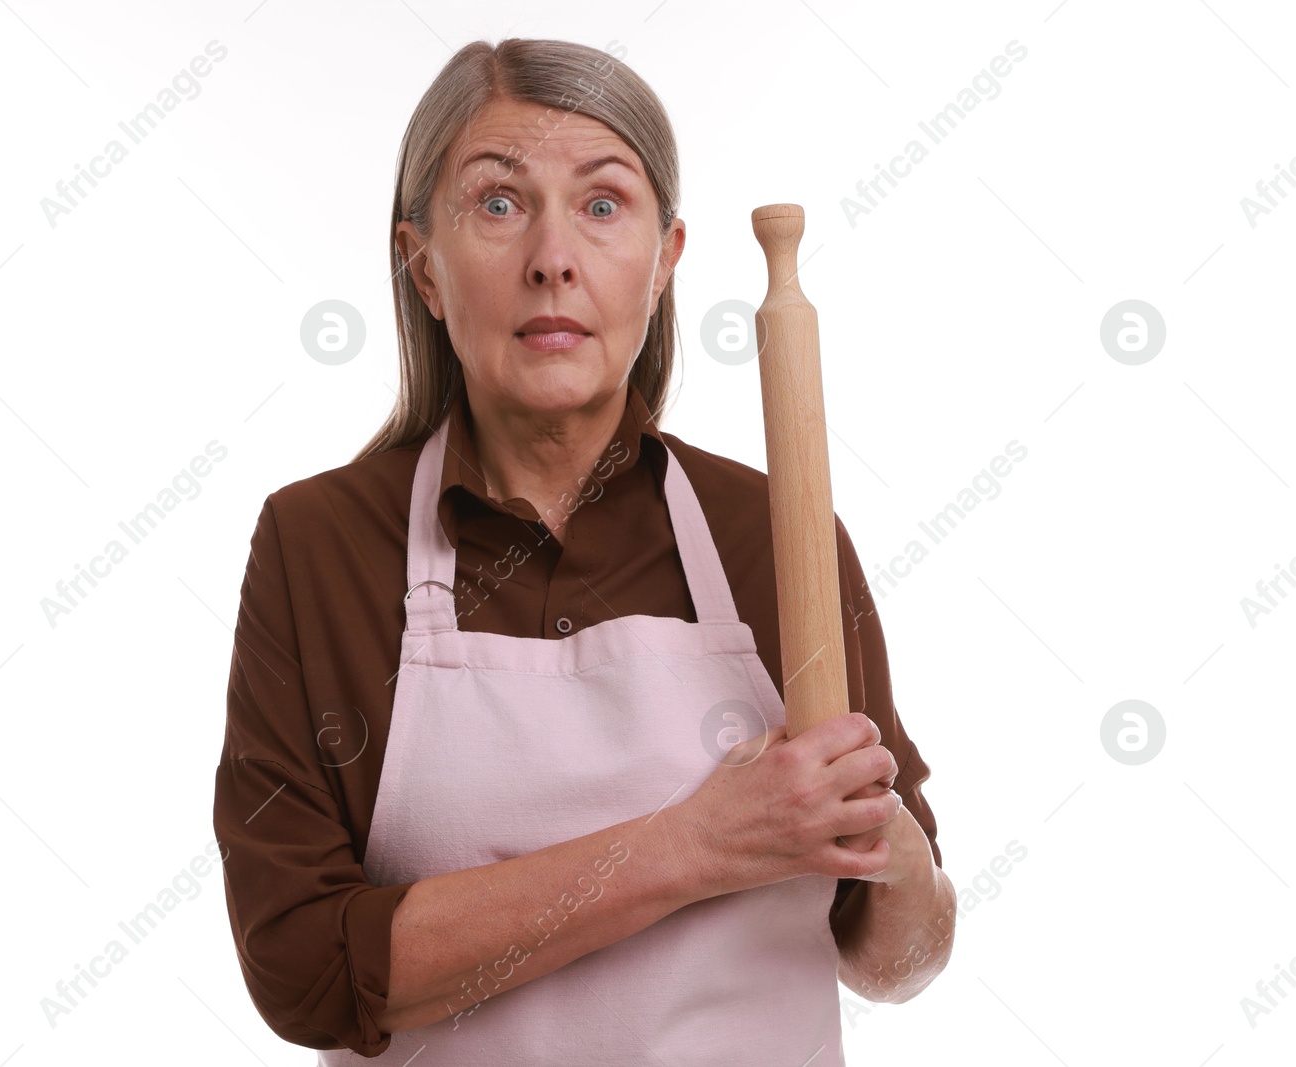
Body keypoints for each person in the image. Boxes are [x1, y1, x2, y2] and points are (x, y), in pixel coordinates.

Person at [212, 36, 956, 1065]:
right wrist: (694, 844)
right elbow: (305, 971)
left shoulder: (774, 533)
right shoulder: (324, 545)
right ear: (422, 264)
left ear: (664, 263)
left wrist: (891, 849)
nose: (552, 257)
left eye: (603, 206)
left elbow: (895, 958)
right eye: (499, 203)